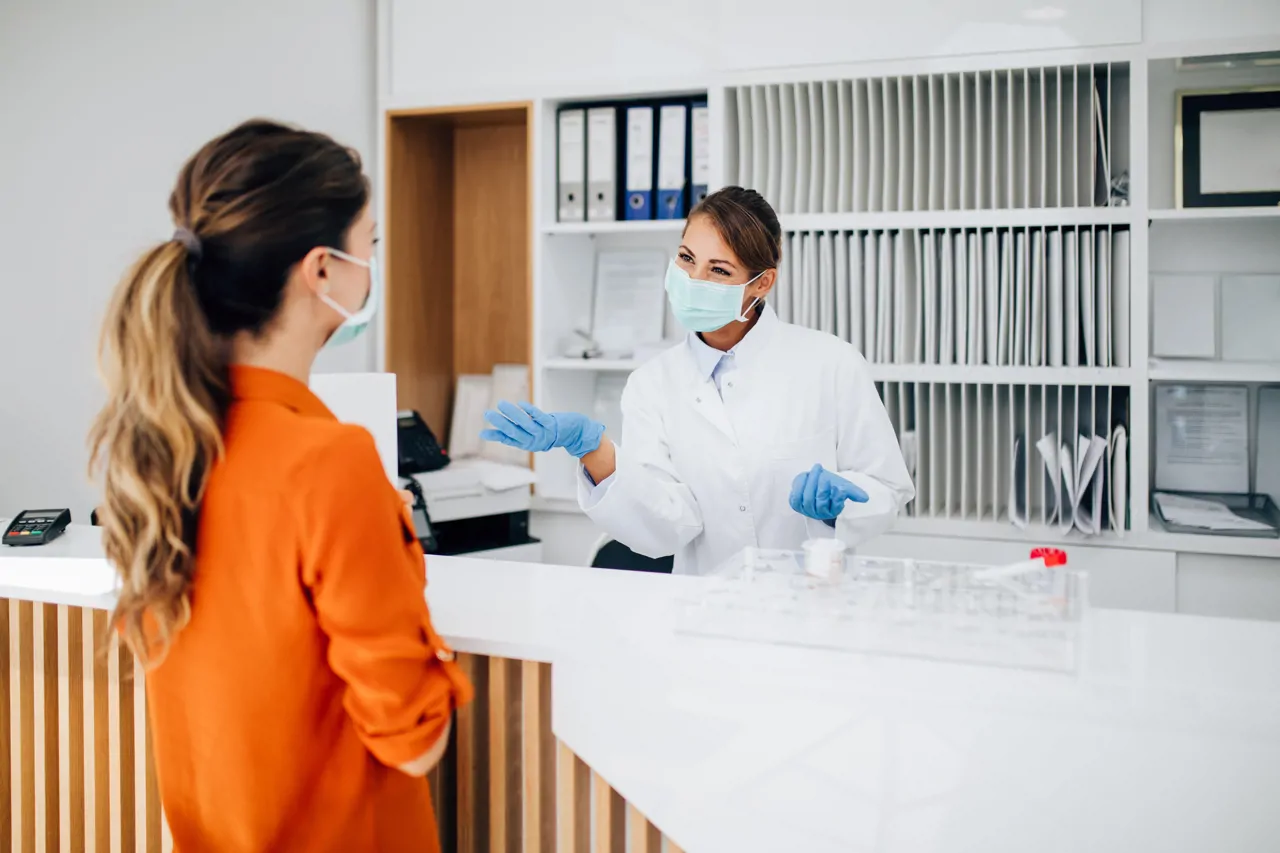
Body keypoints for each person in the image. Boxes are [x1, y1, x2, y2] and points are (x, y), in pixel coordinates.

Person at [88, 119, 471, 852]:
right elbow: (413, 740)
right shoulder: (328, 461)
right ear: (322, 270)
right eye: (371, 245)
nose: (372, 265)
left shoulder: (162, 451)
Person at [482, 186, 914, 575]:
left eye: (719, 271)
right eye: (687, 259)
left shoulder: (831, 363)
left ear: (761, 283)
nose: (693, 280)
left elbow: (889, 488)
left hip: (815, 608)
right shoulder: (652, 384)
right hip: (704, 613)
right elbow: (666, 527)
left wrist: (844, 499)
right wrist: (595, 450)